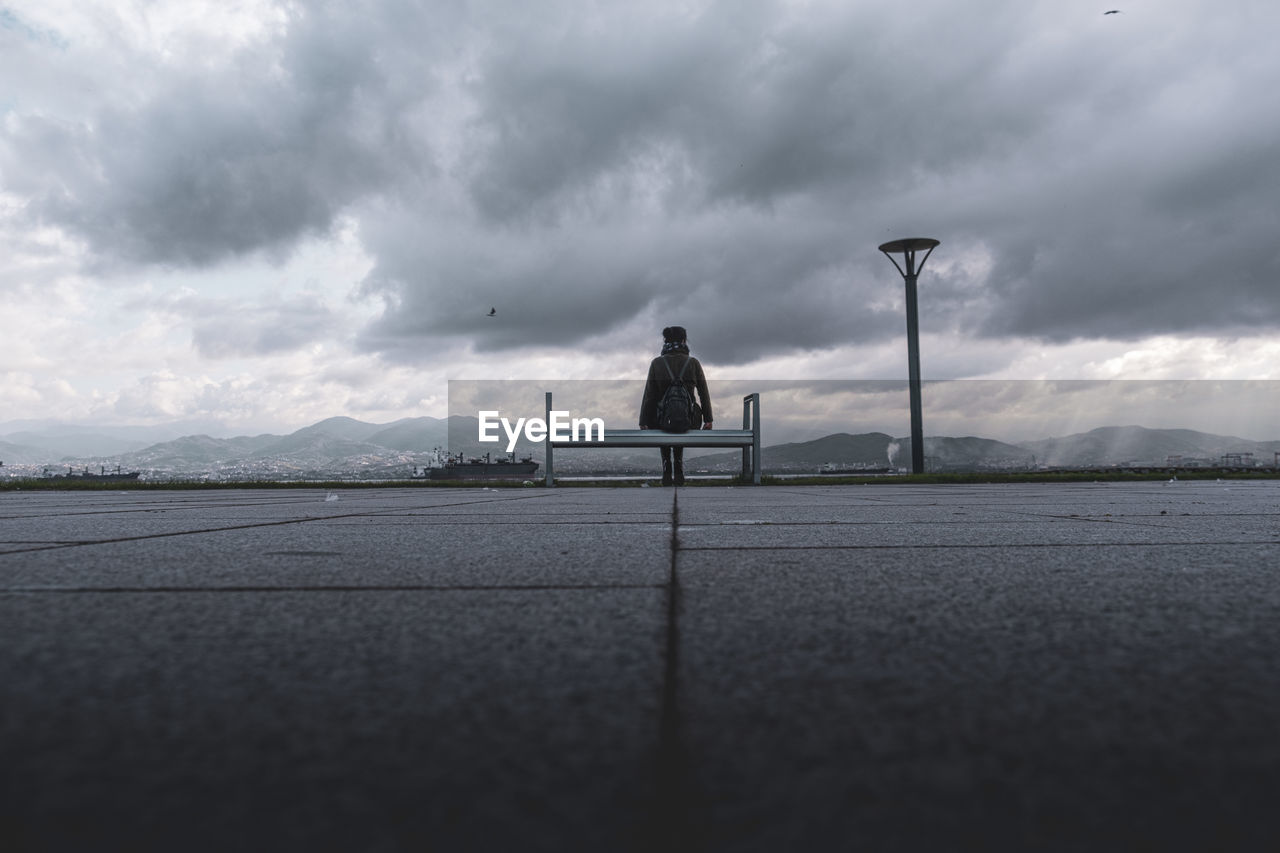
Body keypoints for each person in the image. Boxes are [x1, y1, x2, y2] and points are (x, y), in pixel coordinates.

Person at [639, 325, 713, 486]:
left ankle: (666, 465)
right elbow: (703, 393)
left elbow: (649, 395)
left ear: (665, 341)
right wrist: (708, 419)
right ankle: (678, 464)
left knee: (663, 417)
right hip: (688, 419)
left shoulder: (657, 363)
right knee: (680, 418)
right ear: (684, 340)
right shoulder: (693, 363)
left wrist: (643, 421)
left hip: (661, 420)